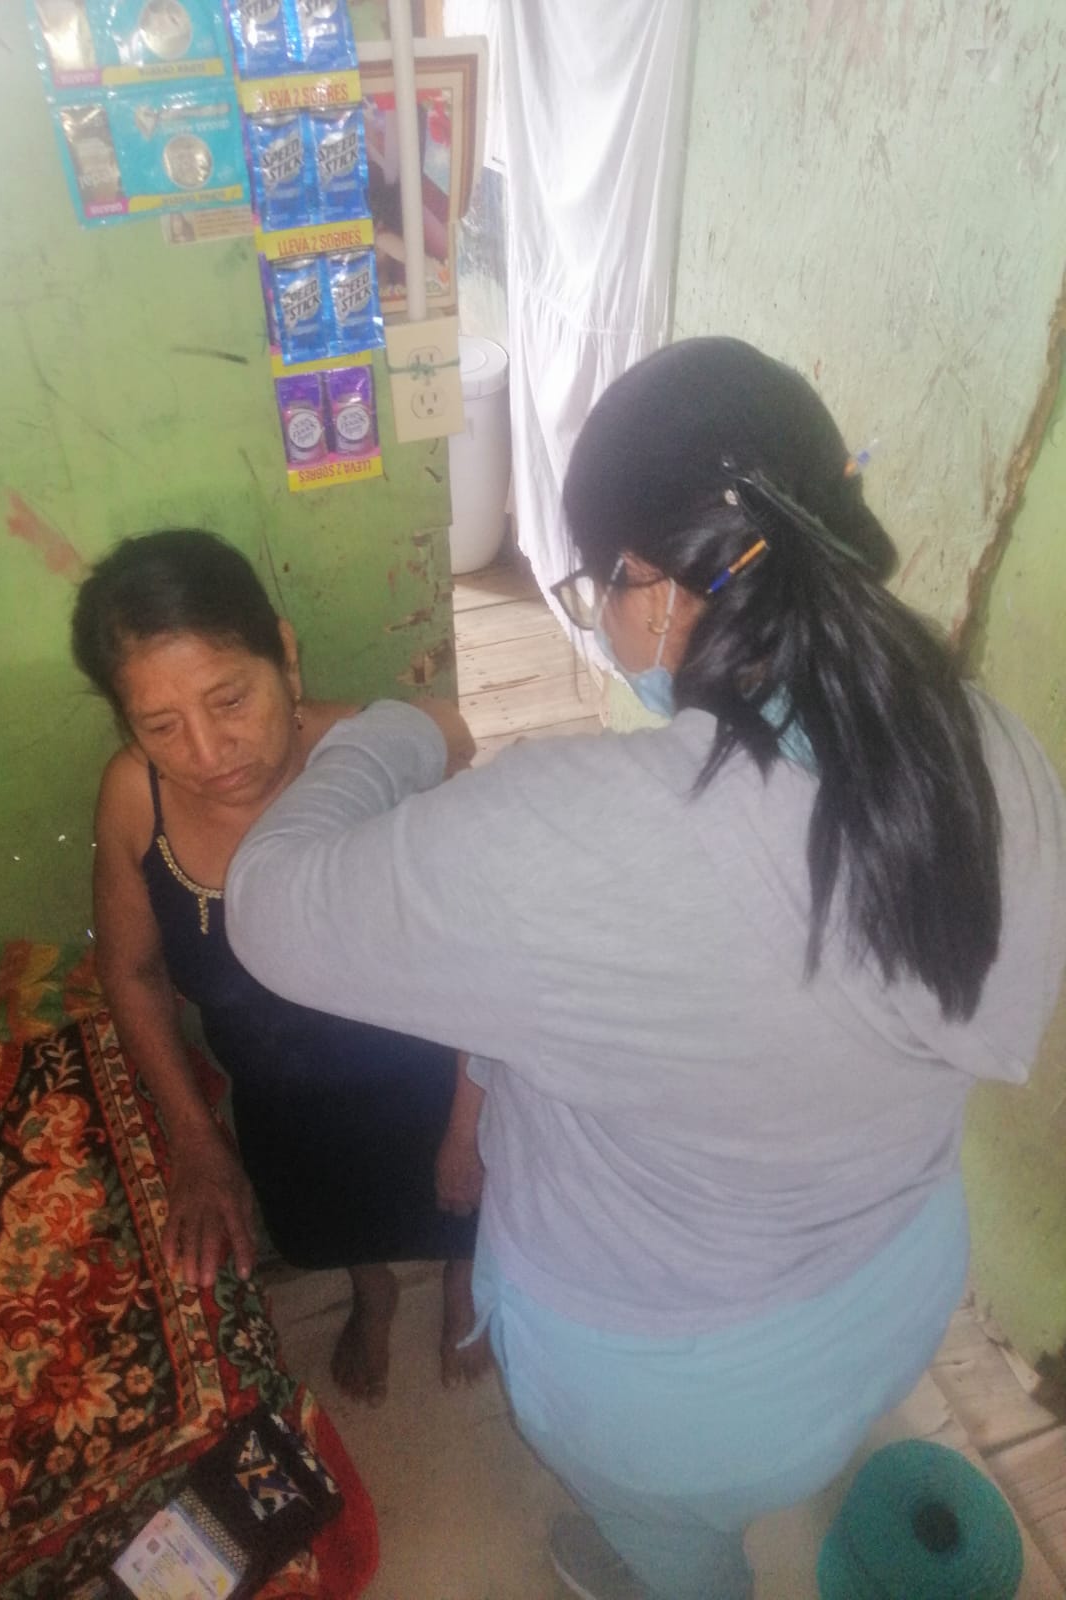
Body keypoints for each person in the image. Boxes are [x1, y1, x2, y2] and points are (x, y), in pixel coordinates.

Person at [222, 338, 1066, 1600]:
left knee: (682, 1556)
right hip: (900, 1292)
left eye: (592, 587)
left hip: (671, 1395)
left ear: (652, 586)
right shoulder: (983, 740)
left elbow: (268, 907)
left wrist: (394, 731)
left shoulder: (572, 836)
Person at [71, 529, 487, 1406]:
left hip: (430, 1086)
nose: (208, 751)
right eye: (160, 726)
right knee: (331, 1225)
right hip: (286, 1109)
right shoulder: (135, 797)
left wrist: (470, 1119)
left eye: (229, 699)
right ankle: (372, 1291)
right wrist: (195, 1137)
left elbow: (484, 961)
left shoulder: (376, 762)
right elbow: (133, 973)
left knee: (463, 1210)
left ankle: (463, 1285)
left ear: (285, 659)